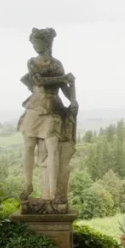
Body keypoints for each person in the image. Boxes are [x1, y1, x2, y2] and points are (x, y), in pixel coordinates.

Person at [17, 27, 77, 201]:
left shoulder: (57, 64)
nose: (35, 45)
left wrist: (73, 101)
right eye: (33, 42)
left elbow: (64, 88)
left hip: (52, 106)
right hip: (35, 105)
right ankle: (28, 185)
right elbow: (38, 80)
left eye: (38, 42)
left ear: (47, 43)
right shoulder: (32, 62)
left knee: (53, 149)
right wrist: (63, 78)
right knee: (29, 145)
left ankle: (53, 192)